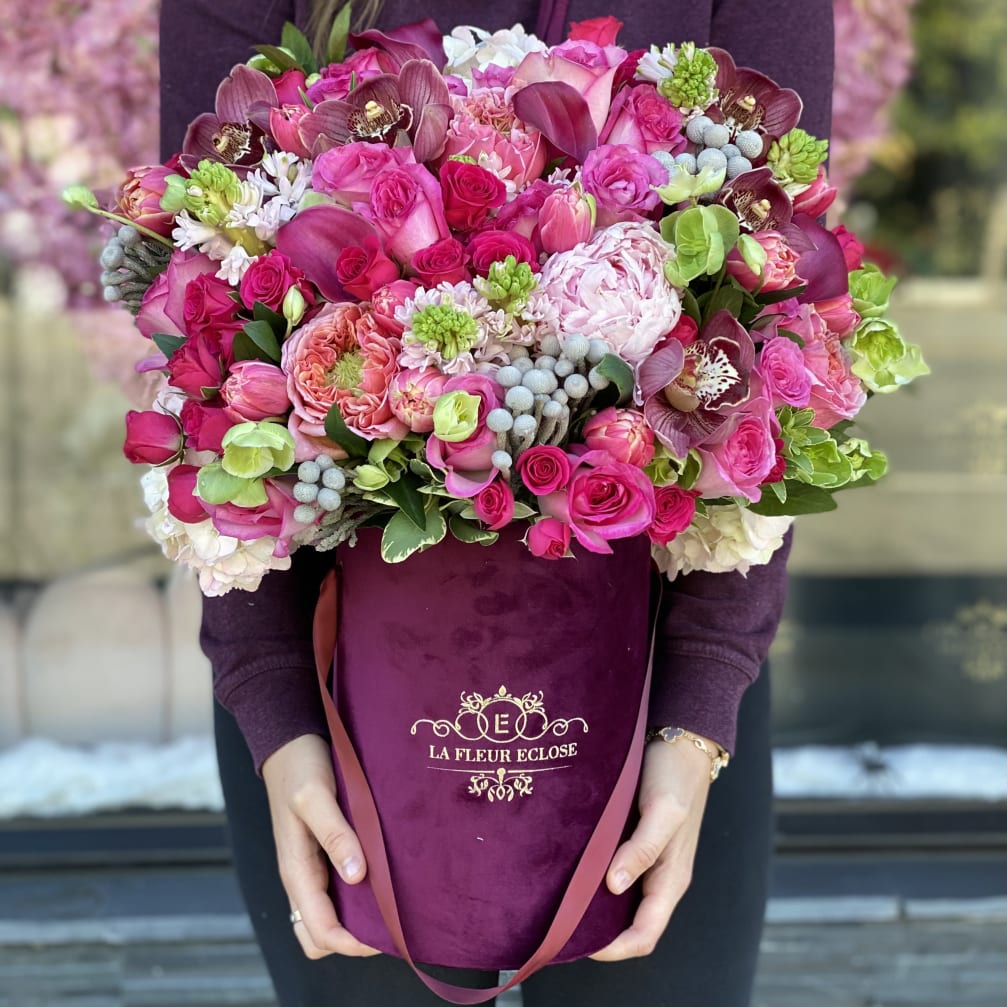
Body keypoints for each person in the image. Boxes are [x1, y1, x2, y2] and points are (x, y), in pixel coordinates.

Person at [159, 2, 834, 1004]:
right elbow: (206, 323)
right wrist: (274, 705)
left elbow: (777, 324)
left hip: (662, 675)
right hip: (333, 698)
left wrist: (696, 711)